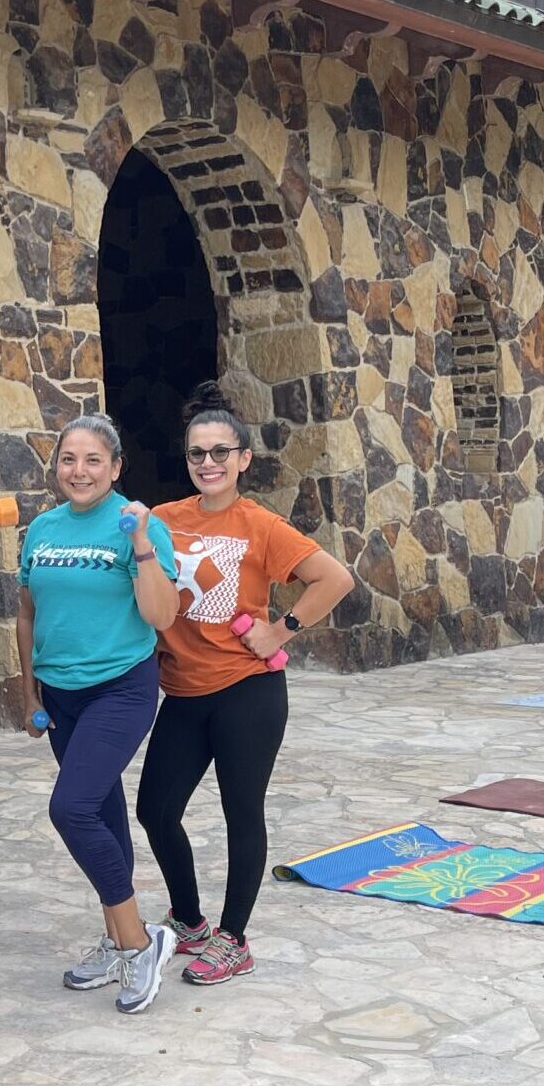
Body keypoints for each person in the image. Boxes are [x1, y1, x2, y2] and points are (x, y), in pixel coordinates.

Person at [136, 382, 355, 985]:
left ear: (242, 460)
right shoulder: (160, 520)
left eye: (219, 452)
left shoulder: (260, 525)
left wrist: (281, 630)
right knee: (155, 810)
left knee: (241, 812)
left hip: (246, 693)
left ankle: (234, 938)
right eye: (196, 454)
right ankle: (189, 922)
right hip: (182, 692)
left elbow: (333, 578)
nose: (207, 463)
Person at [15, 412, 179, 1016]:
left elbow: (162, 617)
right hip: (60, 694)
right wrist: (30, 694)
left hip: (121, 687)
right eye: (68, 459)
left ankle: (140, 942)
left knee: (71, 807)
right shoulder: (43, 529)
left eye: (92, 461)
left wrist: (139, 544)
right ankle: (117, 939)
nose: (78, 471)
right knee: (103, 813)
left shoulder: (140, 524)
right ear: (55, 466)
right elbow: (28, 613)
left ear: (115, 468)